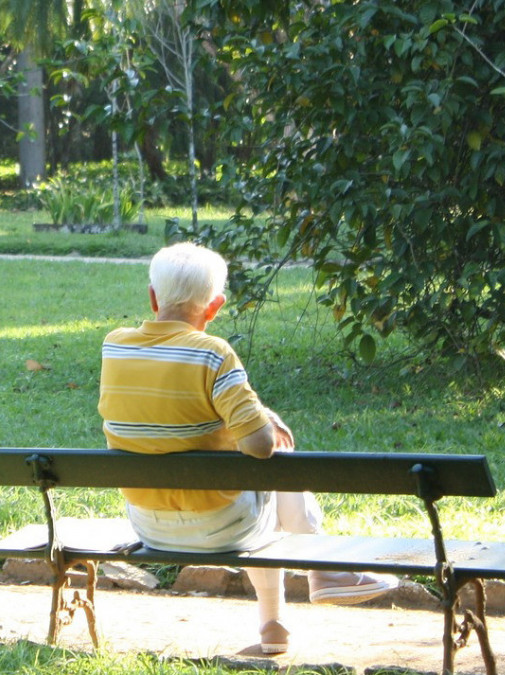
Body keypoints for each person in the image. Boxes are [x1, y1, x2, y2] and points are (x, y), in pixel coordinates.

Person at [98, 242, 398, 655]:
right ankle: (322, 574)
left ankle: (278, 623)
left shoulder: (115, 345)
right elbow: (260, 446)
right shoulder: (214, 352)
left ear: (153, 297)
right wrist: (263, 420)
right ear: (215, 307)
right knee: (274, 467)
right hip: (223, 526)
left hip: (148, 524)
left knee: (256, 489)